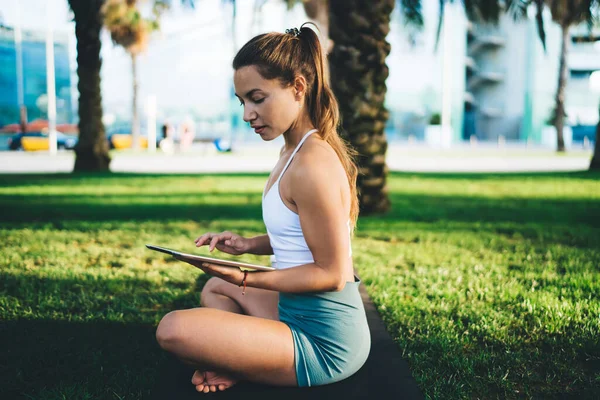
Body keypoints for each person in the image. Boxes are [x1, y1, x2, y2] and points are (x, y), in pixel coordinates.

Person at [155, 23, 370, 393]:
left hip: (325, 341)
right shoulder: (293, 149)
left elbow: (333, 273)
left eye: (257, 98)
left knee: (172, 330)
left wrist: (244, 274)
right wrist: (249, 246)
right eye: (242, 101)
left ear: (298, 88)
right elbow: (303, 234)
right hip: (294, 308)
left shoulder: (312, 164)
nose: (247, 114)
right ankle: (243, 360)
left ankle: (240, 361)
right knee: (215, 291)